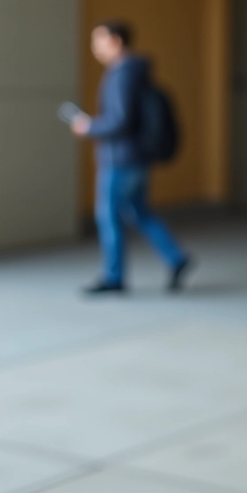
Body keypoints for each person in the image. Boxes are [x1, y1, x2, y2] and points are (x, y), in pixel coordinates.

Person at [72, 20, 192, 294]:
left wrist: (89, 126)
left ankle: (114, 278)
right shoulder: (137, 71)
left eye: (98, 40)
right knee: (138, 211)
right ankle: (176, 257)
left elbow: (121, 120)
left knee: (109, 216)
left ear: (116, 41)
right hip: (137, 157)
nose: (95, 47)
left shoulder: (122, 73)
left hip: (120, 159)